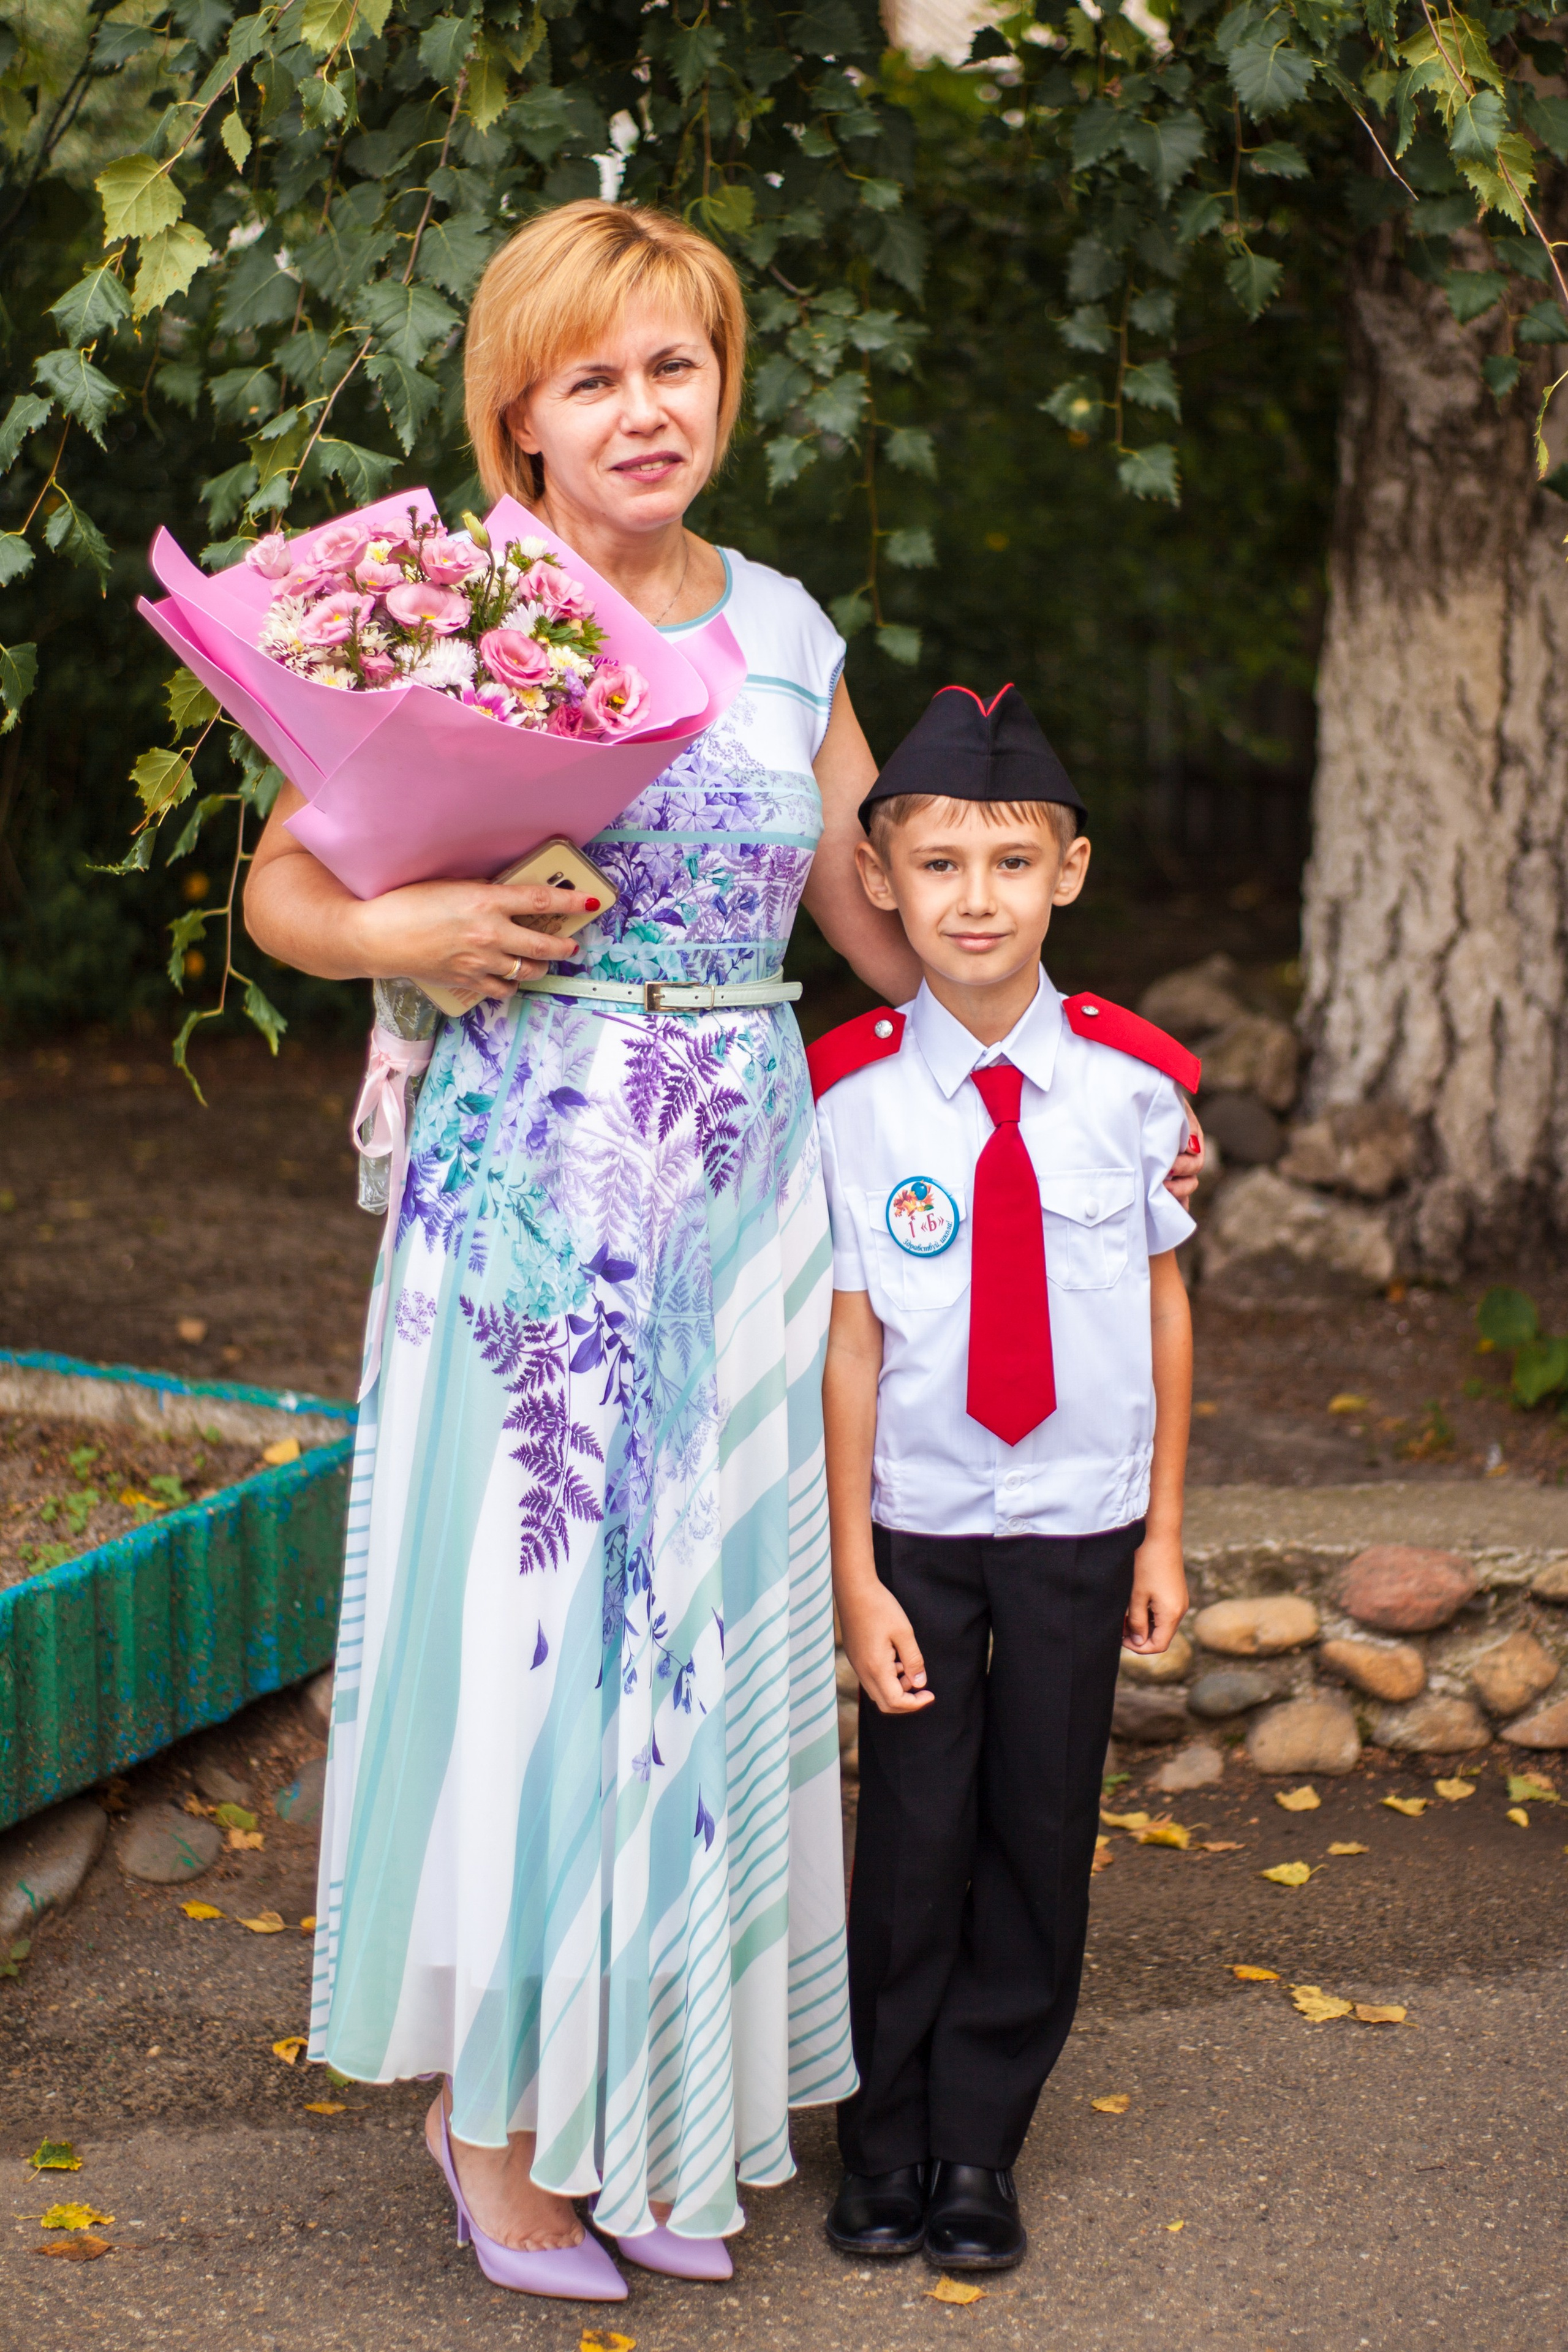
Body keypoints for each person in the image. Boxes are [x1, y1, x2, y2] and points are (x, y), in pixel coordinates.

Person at [244, 200, 1203, 2302]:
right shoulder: (474, 611)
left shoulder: (783, 625)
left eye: (674, 364)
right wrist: (399, 930)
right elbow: (286, 892)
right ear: (523, 416)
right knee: (547, 1657)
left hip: (754, 1184)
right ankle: (494, 2126)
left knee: (715, 1657)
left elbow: (879, 919)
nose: (642, 407)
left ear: (722, 385)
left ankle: (662, 2104)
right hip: (538, 1194)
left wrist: (1083, 1083)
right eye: (592, 377)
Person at [809, 684, 1196, 2275]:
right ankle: (882, 2139)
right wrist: (850, 1571)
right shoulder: (844, 1094)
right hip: (915, 1518)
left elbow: (1167, 1307)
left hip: (1081, 1521)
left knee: (1040, 1829)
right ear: (882, 880)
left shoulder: (1133, 1088)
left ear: (1071, 876)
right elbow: (845, 1345)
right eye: (943, 863)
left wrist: (1167, 1526)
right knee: (907, 1838)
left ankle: (979, 2145)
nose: (978, 897)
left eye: (1012, 862)